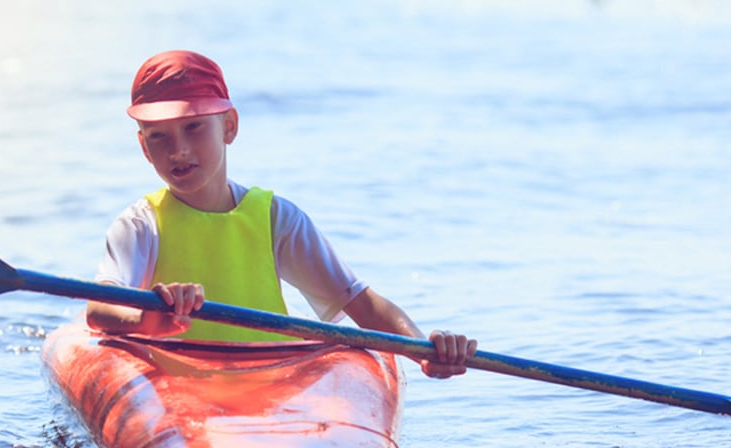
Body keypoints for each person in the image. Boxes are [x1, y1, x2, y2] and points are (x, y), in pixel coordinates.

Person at [86, 50, 477, 378]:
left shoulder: (277, 219)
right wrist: (150, 316)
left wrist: (422, 349)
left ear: (229, 126)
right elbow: (100, 306)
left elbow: (361, 303)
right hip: (177, 384)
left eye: (194, 128)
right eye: (159, 136)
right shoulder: (140, 226)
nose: (179, 150)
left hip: (269, 380)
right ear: (143, 146)